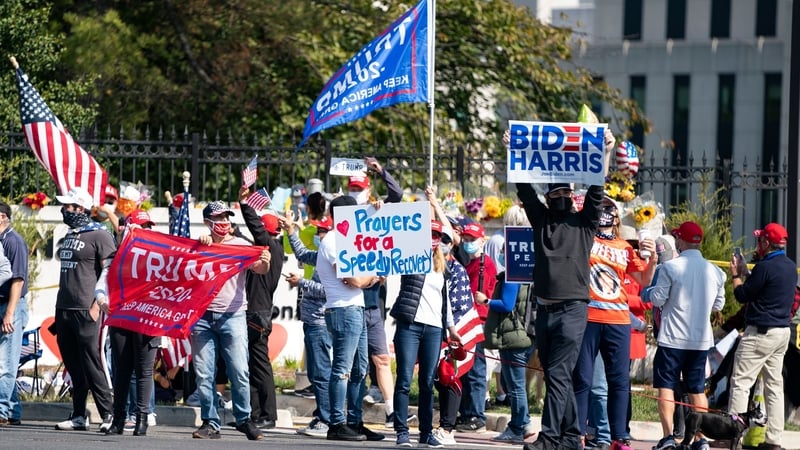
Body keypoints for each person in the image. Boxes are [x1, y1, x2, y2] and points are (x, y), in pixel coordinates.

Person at [509, 126, 615, 450]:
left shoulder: (585, 223)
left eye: (566, 195)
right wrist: (512, 151)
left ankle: (550, 438)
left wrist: (606, 152)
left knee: (556, 374)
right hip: (545, 310)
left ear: (572, 197)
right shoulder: (541, 221)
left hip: (572, 311)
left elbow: (597, 188)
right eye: (555, 195)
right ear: (548, 198)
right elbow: (525, 190)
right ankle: (571, 437)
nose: (562, 198)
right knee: (560, 376)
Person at [573, 197, 657, 450]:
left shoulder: (624, 247)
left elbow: (643, 279)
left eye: (609, 208)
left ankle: (619, 436)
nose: (604, 213)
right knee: (583, 378)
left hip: (618, 319)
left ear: (616, 216)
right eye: (601, 208)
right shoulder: (584, 237)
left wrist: (652, 258)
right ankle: (577, 432)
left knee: (619, 380)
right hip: (589, 317)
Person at [190, 201, 272, 441]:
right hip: (202, 317)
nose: (224, 222)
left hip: (233, 315)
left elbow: (259, 268)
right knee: (204, 374)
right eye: (218, 218)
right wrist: (201, 245)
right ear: (207, 222)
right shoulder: (199, 245)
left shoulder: (240, 245)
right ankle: (210, 422)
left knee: (239, 371)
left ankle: (244, 419)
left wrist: (265, 260)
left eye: (227, 217)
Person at [643, 221, 726, 450]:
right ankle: (701, 439)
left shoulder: (671, 268)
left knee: (666, 386)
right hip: (700, 340)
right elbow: (719, 305)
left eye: (677, 238)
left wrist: (648, 291)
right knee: (696, 389)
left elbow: (658, 299)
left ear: (680, 240)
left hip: (672, 338)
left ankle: (669, 437)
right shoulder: (716, 271)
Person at [315, 195, 382, 442]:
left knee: (360, 369)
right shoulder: (333, 241)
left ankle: (354, 421)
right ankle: (336, 422)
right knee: (342, 369)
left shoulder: (348, 239)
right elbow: (353, 279)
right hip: (343, 309)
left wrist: (377, 211)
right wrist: (372, 277)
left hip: (356, 308)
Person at [390, 220, 461, 448]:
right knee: (403, 380)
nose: (433, 238)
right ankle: (402, 431)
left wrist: (451, 328)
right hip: (410, 325)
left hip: (433, 328)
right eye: (429, 233)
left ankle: (425, 432)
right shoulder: (409, 257)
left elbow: (445, 301)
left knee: (428, 382)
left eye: (436, 234)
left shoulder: (442, 264)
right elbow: (389, 247)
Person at [52, 187, 116, 432]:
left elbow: (109, 272)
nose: (64, 209)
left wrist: (95, 306)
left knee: (92, 363)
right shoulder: (71, 233)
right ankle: (79, 415)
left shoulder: (100, 235)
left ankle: (108, 415)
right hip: (64, 309)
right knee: (73, 365)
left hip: (86, 310)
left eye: (68, 206)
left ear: (80, 208)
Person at [727, 223, 795, 450]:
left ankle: (732, 436)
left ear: (766, 242)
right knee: (774, 386)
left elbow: (742, 294)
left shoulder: (765, 266)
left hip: (760, 333)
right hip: (781, 333)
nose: (758, 244)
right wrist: (748, 272)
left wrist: (736, 275)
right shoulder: (788, 266)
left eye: (760, 241)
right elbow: (764, 285)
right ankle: (774, 440)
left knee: (741, 383)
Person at [347, 157, 401, 427]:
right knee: (352, 366)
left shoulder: (376, 211)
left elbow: (398, 195)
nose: (355, 193)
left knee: (381, 357)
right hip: (351, 303)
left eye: (359, 189)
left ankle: (391, 411)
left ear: (368, 190)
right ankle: (349, 414)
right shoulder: (342, 215)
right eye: (352, 189)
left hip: (373, 306)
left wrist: (381, 171)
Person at [105, 209, 159, 436]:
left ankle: (142, 419)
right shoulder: (117, 253)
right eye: (141, 226)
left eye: (149, 227)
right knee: (122, 370)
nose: (146, 231)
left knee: (144, 370)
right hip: (122, 316)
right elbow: (103, 279)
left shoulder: (160, 255)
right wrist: (100, 298)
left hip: (148, 317)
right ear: (128, 228)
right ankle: (118, 419)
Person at [281, 214, 333, 438]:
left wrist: (300, 282)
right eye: (319, 231)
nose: (319, 235)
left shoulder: (333, 259)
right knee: (314, 372)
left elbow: (327, 291)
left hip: (321, 322)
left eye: (324, 232)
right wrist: (291, 230)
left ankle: (326, 419)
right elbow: (302, 253)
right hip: (311, 321)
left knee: (321, 373)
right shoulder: (321, 256)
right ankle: (323, 414)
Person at [239, 188, 285, 429]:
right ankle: (257, 413)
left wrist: (244, 203)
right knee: (254, 364)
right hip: (260, 310)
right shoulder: (275, 248)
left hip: (257, 312)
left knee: (259, 364)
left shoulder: (267, 245)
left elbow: (254, 226)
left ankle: (268, 414)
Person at [479, 274, 535, 444]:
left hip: (513, 338)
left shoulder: (513, 277)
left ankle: (516, 428)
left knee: (515, 387)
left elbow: (507, 304)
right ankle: (524, 424)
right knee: (516, 385)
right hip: (525, 336)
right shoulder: (530, 276)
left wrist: (486, 300)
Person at [456, 221, 497, 433]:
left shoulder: (485, 264)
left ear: (482, 240)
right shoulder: (469, 263)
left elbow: (479, 295)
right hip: (466, 321)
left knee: (476, 371)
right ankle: (466, 412)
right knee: (464, 370)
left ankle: (476, 415)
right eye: (466, 240)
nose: (468, 243)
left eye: (472, 240)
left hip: (478, 321)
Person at [0, 201, 21, 427]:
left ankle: (2, 411)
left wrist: (10, 313)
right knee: (5, 360)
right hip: (3, 303)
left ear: (3, 217)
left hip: (11, 304)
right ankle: (13, 410)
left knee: (6, 362)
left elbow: (18, 279)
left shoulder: (14, 241)